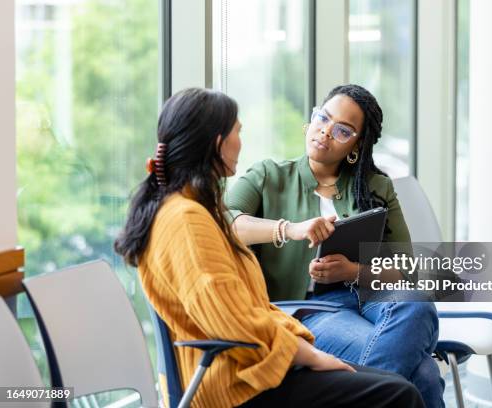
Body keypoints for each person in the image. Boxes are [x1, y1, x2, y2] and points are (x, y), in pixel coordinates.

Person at [114, 88, 424, 408]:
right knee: (402, 391)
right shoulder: (188, 219)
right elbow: (230, 320)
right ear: (218, 143)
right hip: (239, 380)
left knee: (411, 365)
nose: (241, 141)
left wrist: (306, 345)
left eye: (343, 130)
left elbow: (241, 310)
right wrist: (309, 354)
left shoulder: (191, 211)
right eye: (238, 131)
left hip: (254, 362)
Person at [226, 84, 445, 407]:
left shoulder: (376, 186)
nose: (326, 132)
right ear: (311, 119)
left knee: (417, 303)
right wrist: (291, 229)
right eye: (323, 118)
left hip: (373, 298)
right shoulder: (268, 176)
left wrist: (353, 271)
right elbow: (225, 224)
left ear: (357, 145)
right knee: (424, 371)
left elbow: (404, 271)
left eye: (343, 130)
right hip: (309, 310)